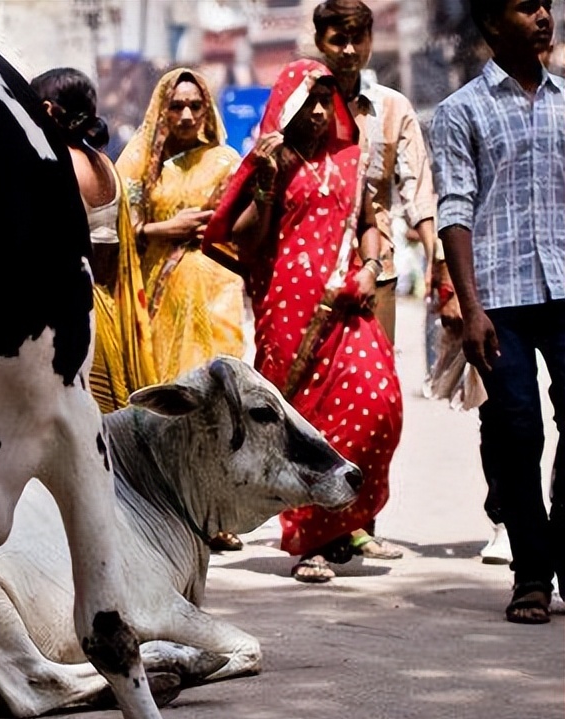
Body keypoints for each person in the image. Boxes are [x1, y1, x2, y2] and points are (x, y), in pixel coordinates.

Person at [202, 59, 403, 584]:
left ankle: (348, 521)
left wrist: (373, 267)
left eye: (324, 102)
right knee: (302, 423)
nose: (317, 113)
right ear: (286, 107)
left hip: (346, 304)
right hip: (287, 309)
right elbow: (244, 239)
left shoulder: (352, 158)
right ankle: (308, 539)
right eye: (307, 103)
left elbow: (368, 224)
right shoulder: (272, 161)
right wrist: (266, 183)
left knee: (379, 402)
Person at [431, 0, 564, 623]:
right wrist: (470, 306)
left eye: (545, 5)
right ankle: (532, 577)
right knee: (516, 435)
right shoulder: (461, 112)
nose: (542, 16)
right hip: (500, 299)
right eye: (524, 7)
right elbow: (455, 207)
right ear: (490, 25)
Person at [313, 0, 439, 561]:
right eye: (337, 38)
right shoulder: (303, 103)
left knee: (373, 399)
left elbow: (418, 191)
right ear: (321, 41)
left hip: (377, 274)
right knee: (313, 401)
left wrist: (441, 267)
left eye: (356, 39)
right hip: (311, 274)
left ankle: (360, 520)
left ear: (368, 43)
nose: (347, 49)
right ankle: (315, 531)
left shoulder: (391, 109)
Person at [115, 67, 247, 552]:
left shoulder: (225, 161)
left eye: (196, 105)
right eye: (177, 106)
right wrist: (159, 231)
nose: (187, 115)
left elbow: (245, 226)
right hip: (158, 300)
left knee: (218, 403)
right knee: (170, 406)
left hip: (216, 298)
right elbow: (117, 228)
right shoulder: (139, 164)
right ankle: (168, 510)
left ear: (208, 109)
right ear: (161, 110)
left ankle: (219, 514)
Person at [29, 68, 158, 415]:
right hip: (110, 312)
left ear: (47, 111)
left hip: (74, 317)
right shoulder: (105, 163)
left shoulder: (58, 166)